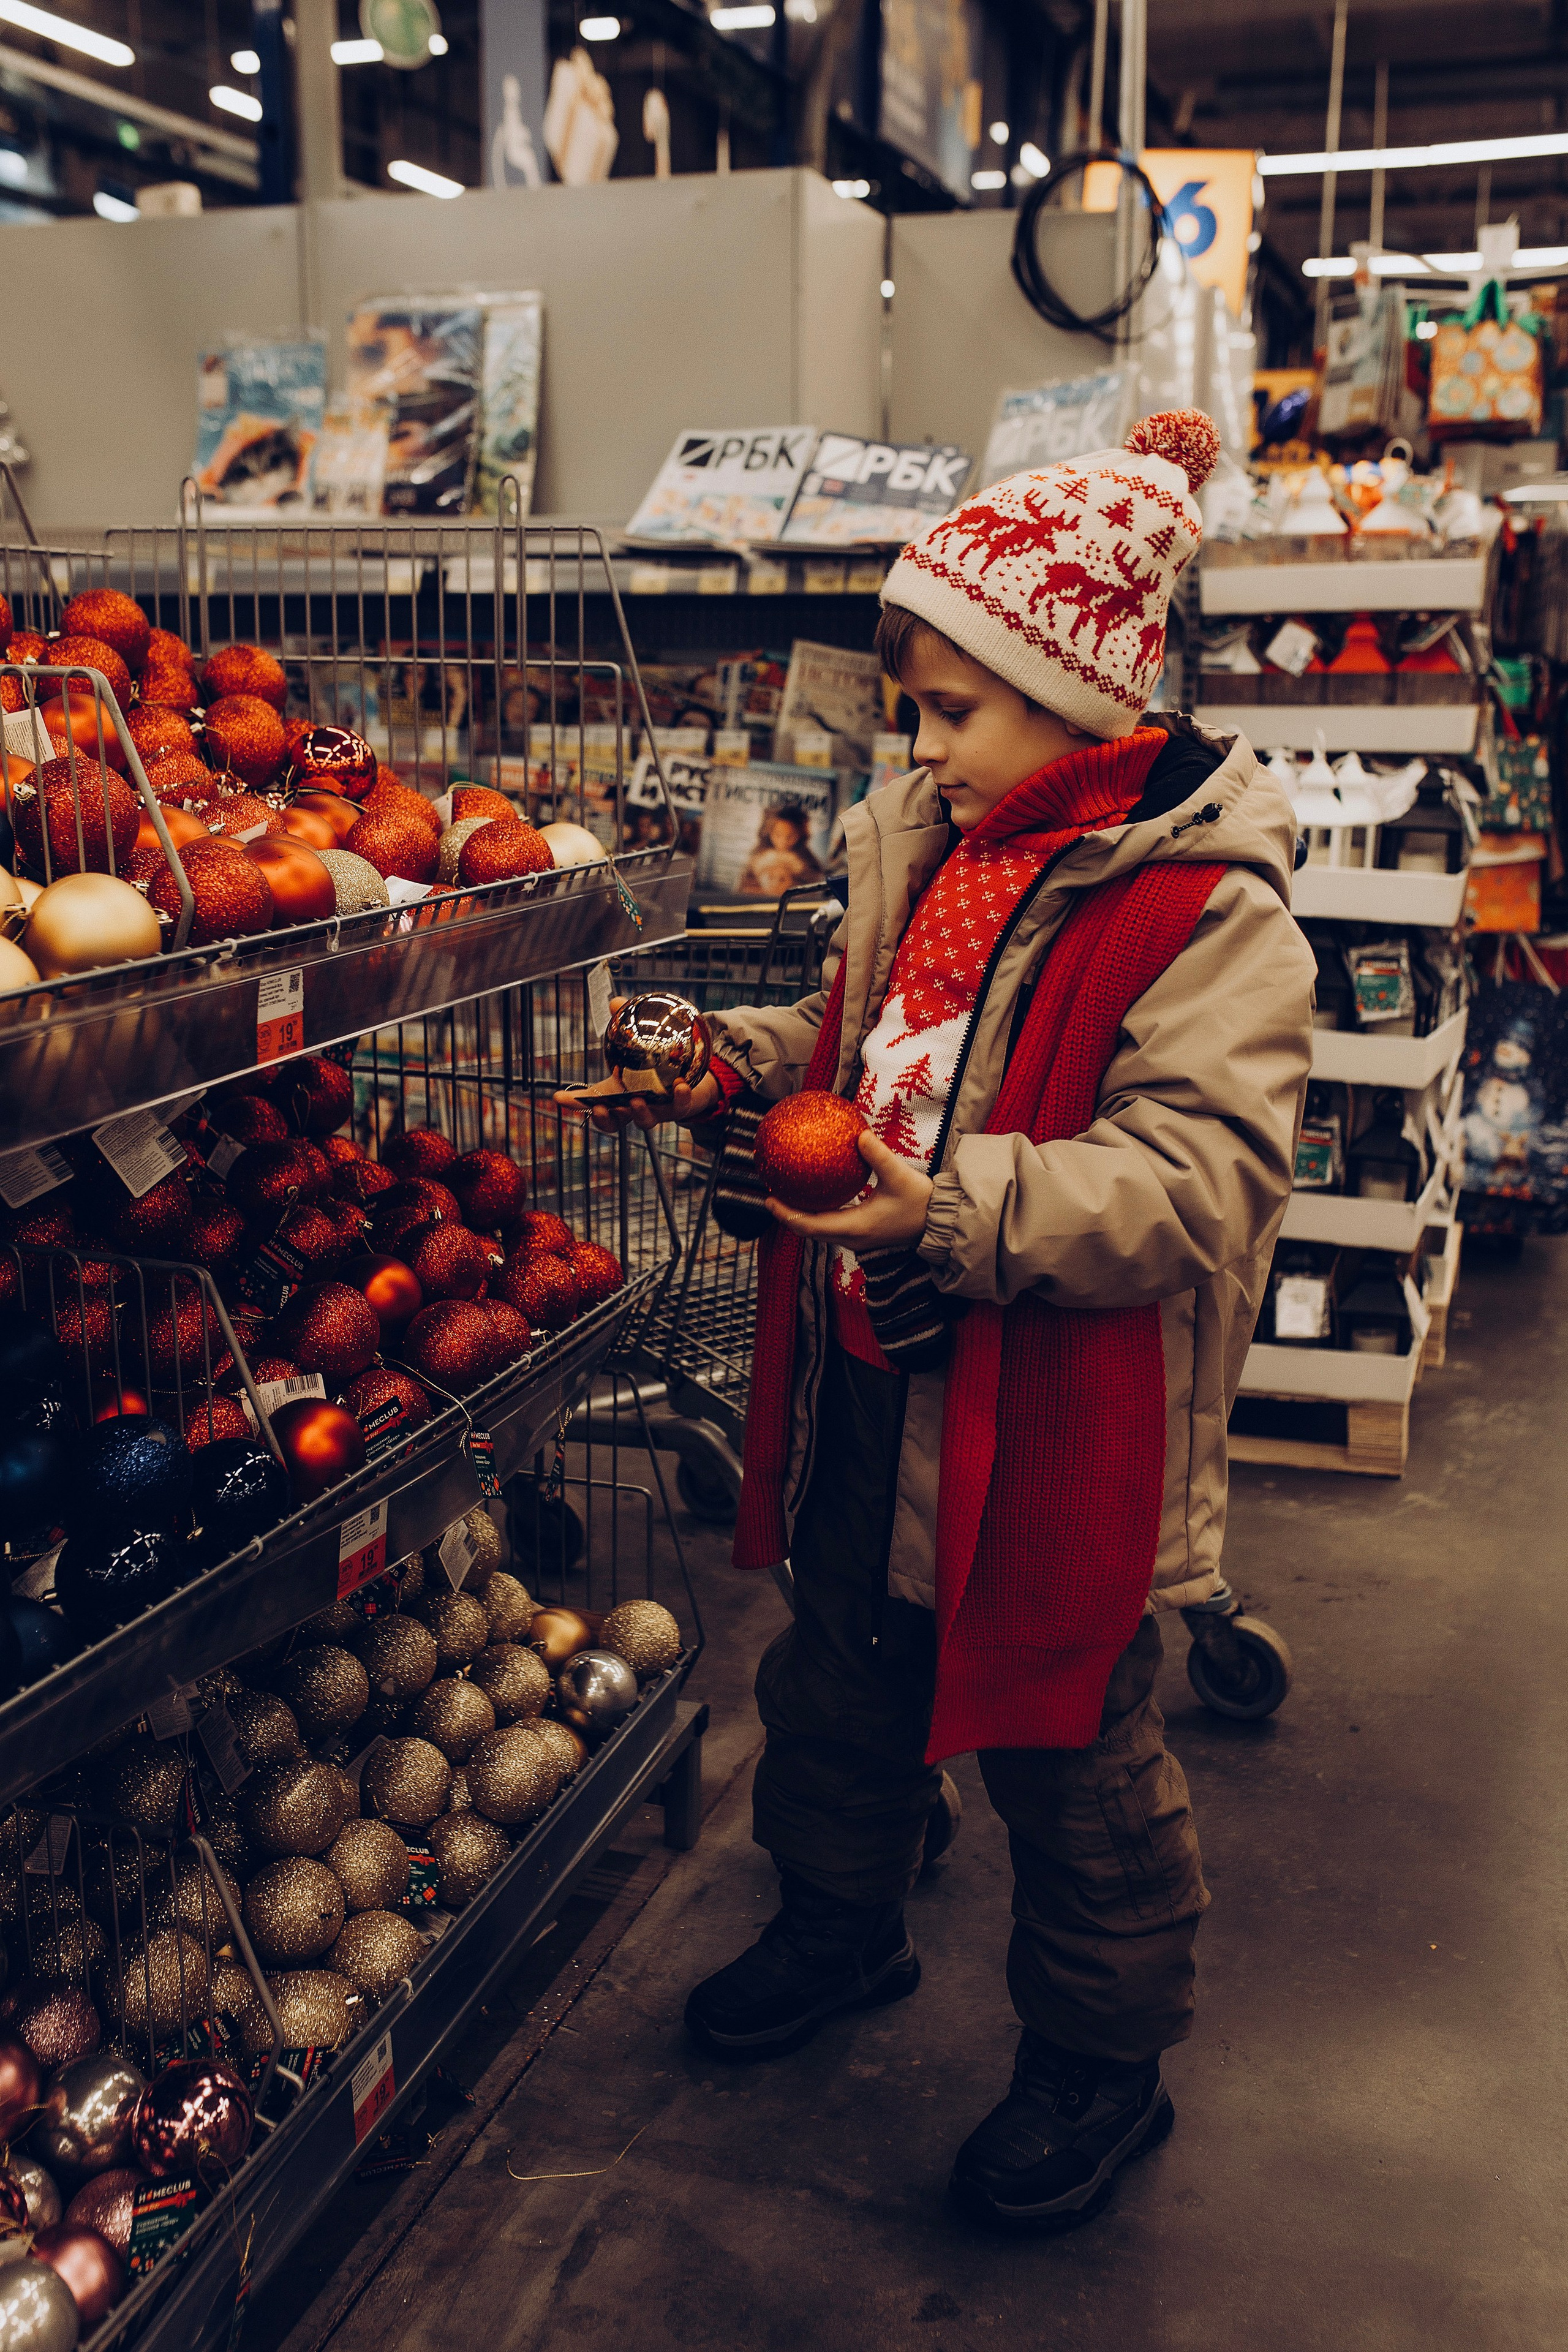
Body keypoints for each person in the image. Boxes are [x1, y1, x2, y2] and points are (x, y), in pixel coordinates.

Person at [564, 410, 1316, 2233]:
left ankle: (1096, 2060)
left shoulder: (1207, 908)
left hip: (1056, 1419)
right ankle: (841, 1925)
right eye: (913, 710)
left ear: (1083, 697)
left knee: (1074, 1760)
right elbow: (854, 1041)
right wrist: (731, 1068)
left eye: (952, 711)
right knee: (834, 1678)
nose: (919, 749)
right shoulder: (928, 836)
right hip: (871, 1363)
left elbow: (1201, 1176)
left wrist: (955, 1204)